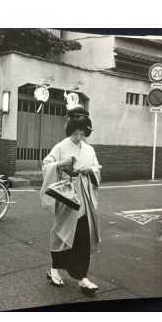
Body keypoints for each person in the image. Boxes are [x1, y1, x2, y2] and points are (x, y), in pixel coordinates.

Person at [40, 107, 101, 296]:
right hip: (66, 196)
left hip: (84, 195)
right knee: (62, 232)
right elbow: (46, 165)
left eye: (82, 133)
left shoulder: (89, 149)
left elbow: (96, 168)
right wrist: (60, 164)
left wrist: (90, 171)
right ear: (69, 130)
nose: (79, 137)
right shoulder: (60, 147)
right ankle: (55, 269)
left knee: (83, 234)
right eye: (75, 133)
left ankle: (82, 276)